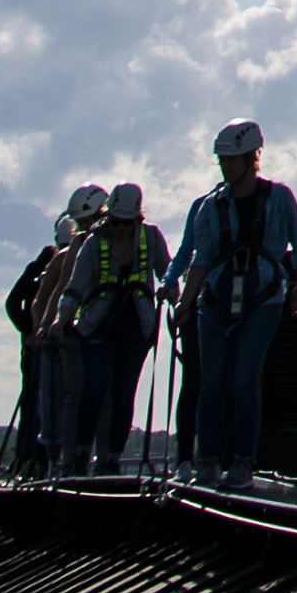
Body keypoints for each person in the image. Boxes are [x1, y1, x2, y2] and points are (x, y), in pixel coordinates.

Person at [168, 124, 297, 489]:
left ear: (252, 159)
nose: (225, 167)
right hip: (216, 300)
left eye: (232, 160)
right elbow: (200, 258)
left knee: (242, 381)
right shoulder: (210, 206)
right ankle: (207, 462)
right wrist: (185, 304)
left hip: (263, 298)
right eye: (222, 160)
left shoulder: (279, 199)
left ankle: (242, 462)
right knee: (210, 384)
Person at [77, 177, 166, 473]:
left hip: (136, 327)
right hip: (97, 326)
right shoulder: (93, 242)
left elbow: (167, 273)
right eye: (114, 222)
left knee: (124, 392)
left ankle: (111, 459)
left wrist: (177, 300)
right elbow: (75, 287)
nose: (119, 229)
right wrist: (61, 319)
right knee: (94, 388)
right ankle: (80, 455)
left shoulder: (151, 238)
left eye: (125, 224)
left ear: (136, 220)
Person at [1, 204, 86, 476]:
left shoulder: (50, 264)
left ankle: (37, 462)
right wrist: (30, 334)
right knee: (39, 406)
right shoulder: (48, 265)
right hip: (41, 349)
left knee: (44, 406)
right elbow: (15, 303)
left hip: (51, 345)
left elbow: (15, 303)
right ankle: (31, 461)